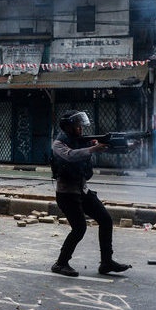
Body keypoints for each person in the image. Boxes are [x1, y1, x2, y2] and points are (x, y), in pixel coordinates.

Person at [50, 110, 131, 277]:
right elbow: (70, 156)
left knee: (106, 220)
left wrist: (128, 147)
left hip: (82, 190)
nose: (80, 129)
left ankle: (106, 262)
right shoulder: (58, 144)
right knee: (79, 228)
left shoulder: (81, 141)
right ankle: (60, 263)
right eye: (77, 126)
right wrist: (93, 148)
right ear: (68, 127)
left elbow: (104, 149)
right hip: (67, 193)